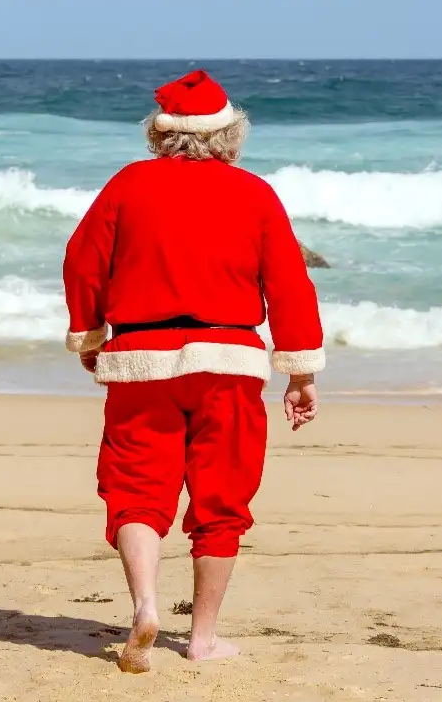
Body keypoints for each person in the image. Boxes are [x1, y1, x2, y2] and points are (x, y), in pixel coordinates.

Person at [62, 69, 324, 673]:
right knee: (221, 501)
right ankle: (202, 639)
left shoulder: (128, 185)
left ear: (160, 135)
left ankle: (146, 606)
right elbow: (289, 285)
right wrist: (300, 371)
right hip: (227, 363)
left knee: (134, 490)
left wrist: (89, 334)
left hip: (141, 361)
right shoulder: (254, 193)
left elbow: (83, 259)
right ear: (229, 135)